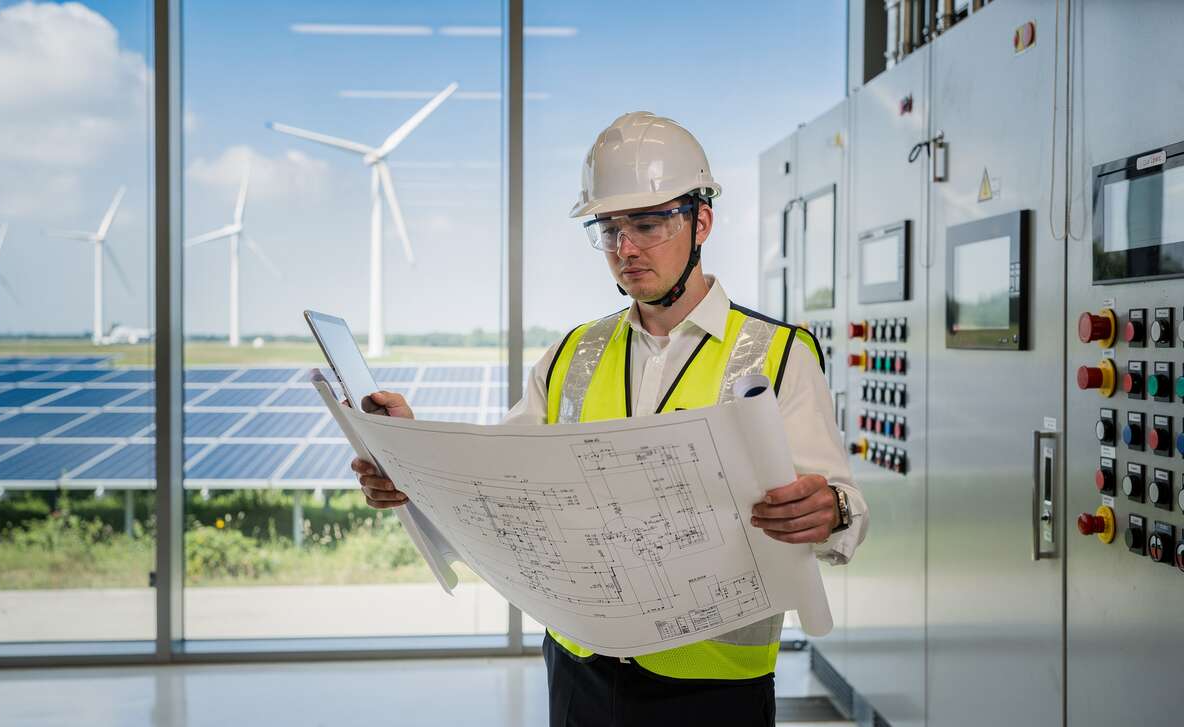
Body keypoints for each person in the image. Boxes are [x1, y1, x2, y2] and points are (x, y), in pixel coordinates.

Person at [351, 111, 868, 727]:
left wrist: (829, 511)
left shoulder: (778, 354)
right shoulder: (571, 354)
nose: (626, 249)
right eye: (608, 229)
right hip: (580, 671)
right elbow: (494, 481)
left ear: (701, 221)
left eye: (647, 224)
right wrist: (410, 460)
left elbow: (845, 512)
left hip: (712, 687)